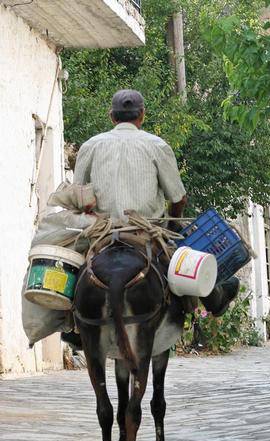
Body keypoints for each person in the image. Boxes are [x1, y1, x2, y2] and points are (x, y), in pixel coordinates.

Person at [72, 89, 239, 316]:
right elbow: (179, 198)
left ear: (111, 116)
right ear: (142, 115)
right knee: (184, 259)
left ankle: (67, 319)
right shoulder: (157, 145)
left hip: (100, 233)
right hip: (147, 232)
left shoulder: (90, 146)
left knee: (69, 265)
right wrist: (171, 223)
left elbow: (77, 196)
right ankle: (214, 300)